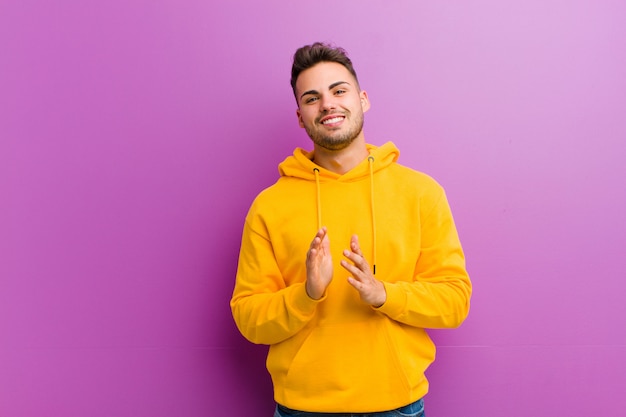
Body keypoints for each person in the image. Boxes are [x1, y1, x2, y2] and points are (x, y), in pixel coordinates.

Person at [230, 42, 472, 417]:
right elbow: (248, 318)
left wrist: (384, 294)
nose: (327, 104)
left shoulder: (421, 193)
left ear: (362, 99)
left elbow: (455, 302)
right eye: (312, 98)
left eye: (338, 91)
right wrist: (307, 294)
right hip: (302, 408)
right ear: (300, 117)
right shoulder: (270, 206)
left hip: (397, 406)